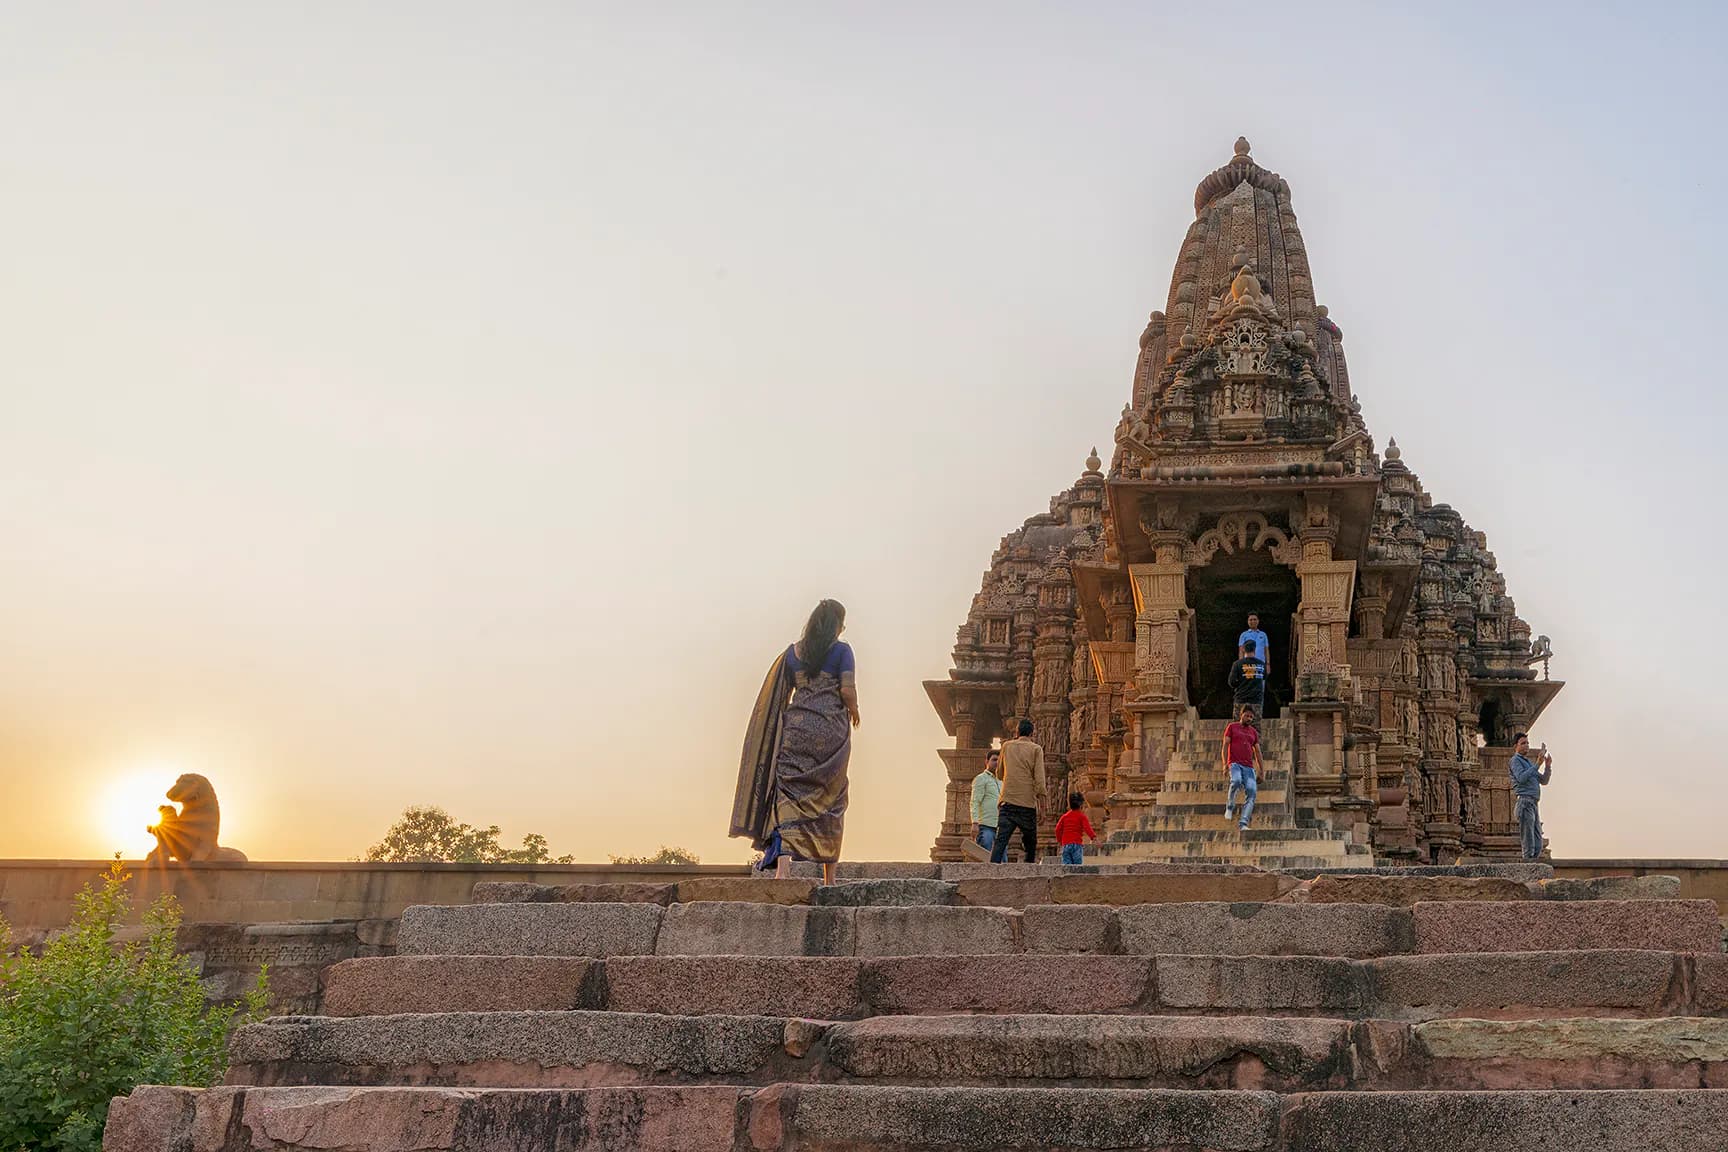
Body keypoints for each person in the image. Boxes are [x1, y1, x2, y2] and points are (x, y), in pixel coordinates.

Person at [731, 599, 860, 885]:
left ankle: (783, 869)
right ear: (836, 625)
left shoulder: (793, 653)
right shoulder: (841, 650)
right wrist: (856, 711)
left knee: (788, 795)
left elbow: (782, 693)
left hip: (796, 731)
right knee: (832, 798)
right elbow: (847, 690)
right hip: (831, 734)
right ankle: (830, 877)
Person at [990, 719, 1046, 864]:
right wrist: (1043, 807)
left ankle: (991, 871)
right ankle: (1028, 873)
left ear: (1017, 732)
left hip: (1007, 801)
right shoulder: (1036, 749)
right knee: (1030, 844)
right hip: (1027, 803)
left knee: (1000, 841)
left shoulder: (1007, 746)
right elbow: (1039, 780)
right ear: (1032, 733)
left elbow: (1000, 773)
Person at [1509, 732, 1553, 861]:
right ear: (1515, 746)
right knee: (1528, 843)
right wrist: (1537, 764)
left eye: (1527, 743)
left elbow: (1544, 781)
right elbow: (1521, 778)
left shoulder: (1527, 763)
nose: (1526, 745)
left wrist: (1547, 767)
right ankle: (1527, 867)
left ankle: (1532, 866)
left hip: (1533, 803)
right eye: (1523, 743)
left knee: (1538, 844)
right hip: (1524, 802)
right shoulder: (1515, 761)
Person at [1221, 703, 1262, 831]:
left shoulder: (1253, 732)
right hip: (1235, 764)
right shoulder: (1232, 727)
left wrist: (1262, 770)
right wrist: (1224, 764)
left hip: (1249, 768)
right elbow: (1225, 746)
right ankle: (1230, 806)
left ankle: (1243, 823)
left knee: (1252, 793)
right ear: (1241, 715)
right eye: (1247, 716)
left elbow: (1258, 752)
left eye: (1251, 717)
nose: (1249, 719)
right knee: (1236, 781)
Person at [1227, 639, 1268, 723]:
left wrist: (1241, 683)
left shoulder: (1237, 664)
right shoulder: (1261, 664)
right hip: (1256, 700)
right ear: (1254, 649)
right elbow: (1264, 677)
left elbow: (1231, 682)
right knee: (1255, 729)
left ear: (1243, 649)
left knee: (1238, 727)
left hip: (1240, 699)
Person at [970, 749, 1002, 852]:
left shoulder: (1002, 781)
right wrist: (975, 823)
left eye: (999, 760)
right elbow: (975, 801)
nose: (997, 763)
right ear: (987, 761)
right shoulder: (981, 779)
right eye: (994, 760)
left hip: (1000, 826)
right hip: (985, 825)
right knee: (985, 856)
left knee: (1002, 861)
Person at [1053, 791, 1098, 865]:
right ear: (1081, 805)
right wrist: (1094, 838)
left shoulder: (1065, 817)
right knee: (1077, 867)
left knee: (1067, 867)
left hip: (1066, 844)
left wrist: (1060, 841)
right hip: (1077, 845)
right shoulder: (1082, 816)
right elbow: (1087, 828)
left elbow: (1057, 829)